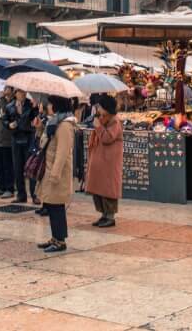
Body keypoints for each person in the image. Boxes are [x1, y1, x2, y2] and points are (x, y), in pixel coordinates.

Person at [36, 96, 76, 253]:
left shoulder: (65, 125)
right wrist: (40, 128)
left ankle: (60, 241)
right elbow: (44, 143)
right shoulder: (54, 122)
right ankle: (55, 237)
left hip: (56, 172)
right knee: (51, 205)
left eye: (50, 103)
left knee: (57, 206)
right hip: (49, 168)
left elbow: (63, 152)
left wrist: (55, 174)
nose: (48, 106)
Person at [85, 99, 123, 228]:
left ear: (107, 108)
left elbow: (107, 138)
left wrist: (98, 126)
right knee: (98, 188)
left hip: (109, 162)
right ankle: (103, 214)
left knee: (108, 188)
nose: (98, 109)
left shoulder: (114, 121)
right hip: (99, 160)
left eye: (100, 106)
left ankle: (110, 217)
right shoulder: (102, 118)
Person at [8, 89, 38, 204]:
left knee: (31, 167)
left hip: (28, 138)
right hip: (16, 138)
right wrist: (9, 125)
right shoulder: (10, 106)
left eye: (24, 92)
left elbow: (35, 119)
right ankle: (21, 195)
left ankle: (34, 195)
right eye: (20, 92)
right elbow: (5, 120)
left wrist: (35, 109)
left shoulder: (31, 104)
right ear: (16, 93)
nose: (23, 94)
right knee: (17, 168)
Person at [0, 91, 15, 198]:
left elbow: (6, 112)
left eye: (7, 88)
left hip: (7, 140)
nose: (4, 90)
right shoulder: (1, 104)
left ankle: (9, 188)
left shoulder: (12, 105)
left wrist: (3, 100)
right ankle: (0, 186)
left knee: (7, 166)